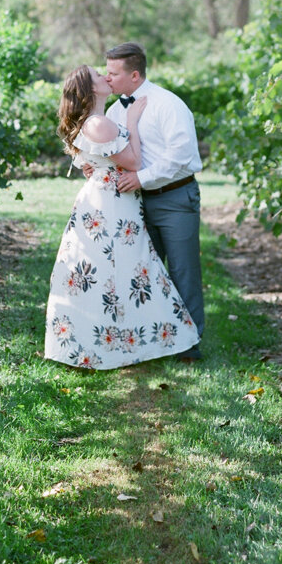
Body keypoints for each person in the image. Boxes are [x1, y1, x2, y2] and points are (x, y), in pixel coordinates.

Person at [44, 64, 200, 370]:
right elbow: (134, 161)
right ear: (91, 89)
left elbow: (89, 158)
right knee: (119, 270)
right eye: (98, 75)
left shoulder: (98, 120)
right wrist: (131, 122)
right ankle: (113, 343)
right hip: (109, 205)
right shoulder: (100, 122)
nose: (105, 76)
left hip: (110, 200)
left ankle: (124, 339)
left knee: (117, 272)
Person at [104, 42, 205, 362]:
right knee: (141, 271)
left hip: (175, 197)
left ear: (134, 75)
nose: (107, 79)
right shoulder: (113, 111)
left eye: (113, 73)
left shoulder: (168, 104)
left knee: (182, 270)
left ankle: (189, 344)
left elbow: (183, 156)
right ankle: (147, 339)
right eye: (105, 72)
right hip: (133, 202)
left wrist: (142, 178)